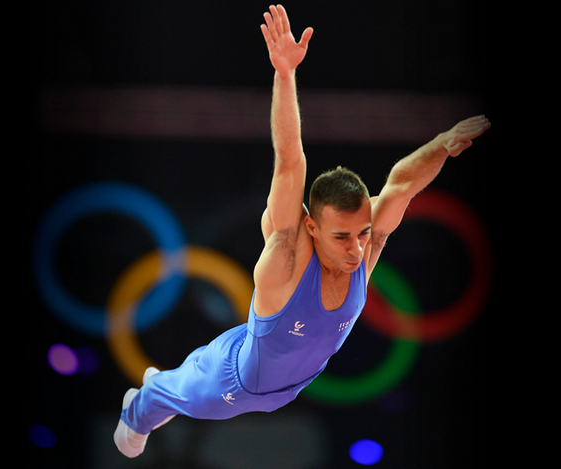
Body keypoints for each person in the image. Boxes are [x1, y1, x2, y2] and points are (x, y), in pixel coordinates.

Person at [114, 4, 490, 458]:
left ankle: (166, 384)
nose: (357, 249)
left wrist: (442, 144)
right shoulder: (289, 250)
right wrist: (285, 73)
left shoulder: (364, 244)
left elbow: (402, 182)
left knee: (194, 375)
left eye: (363, 234)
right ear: (311, 226)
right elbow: (290, 156)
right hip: (235, 382)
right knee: (162, 407)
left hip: (291, 384)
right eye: (341, 237)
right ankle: (141, 402)